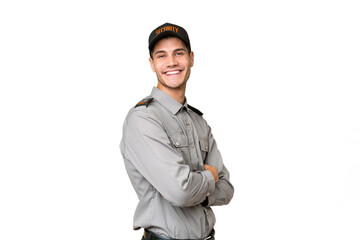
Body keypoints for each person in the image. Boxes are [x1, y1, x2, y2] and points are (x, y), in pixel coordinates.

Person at [120, 23, 234, 240]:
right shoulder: (143, 119)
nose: (171, 62)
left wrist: (191, 184)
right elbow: (180, 192)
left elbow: (227, 190)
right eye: (161, 56)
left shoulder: (199, 121)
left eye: (178, 53)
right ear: (152, 64)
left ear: (191, 58)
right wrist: (210, 176)